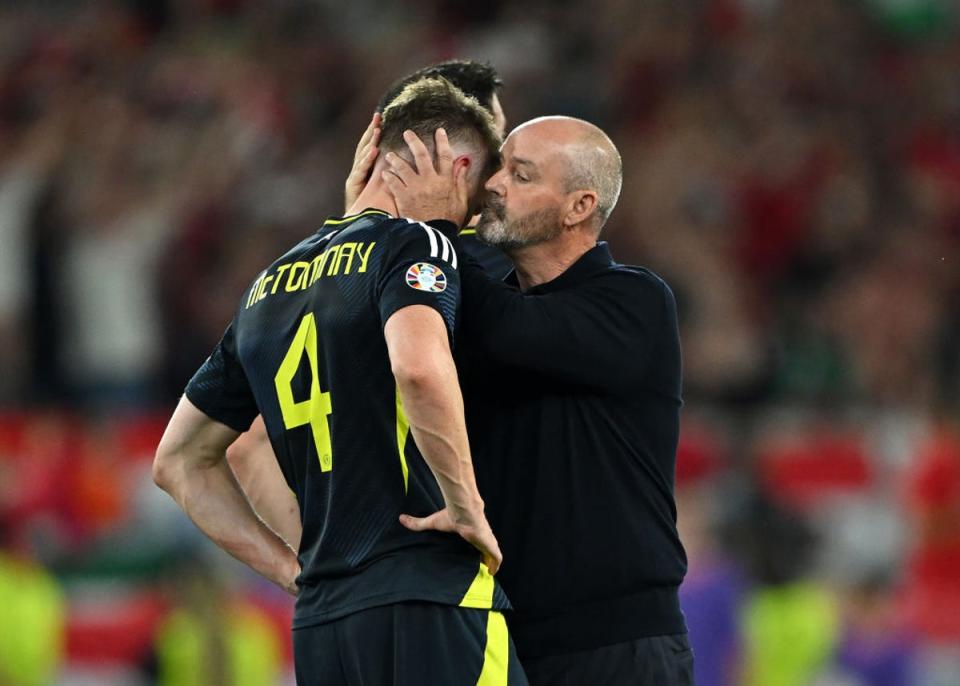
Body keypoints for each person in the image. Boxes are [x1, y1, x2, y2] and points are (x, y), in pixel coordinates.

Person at [153, 77, 528, 685]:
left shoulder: (267, 285)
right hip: (426, 590)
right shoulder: (418, 242)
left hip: (325, 620)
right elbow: (417, 367)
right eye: (480, 201)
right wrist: (466, 507)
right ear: (458, 169)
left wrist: (290, 571)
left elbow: (177, 461)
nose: (475, 222)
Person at [382, 116, 693, 685]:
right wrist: (371, 223)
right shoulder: (476, 304)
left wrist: (430, 229)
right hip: (500, 638)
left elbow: (510, 331)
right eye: (499, 166)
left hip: (616, 644)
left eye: (521, 175)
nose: (494, 183)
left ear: (579, 207)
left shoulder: (635, 301)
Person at [227, 59, 512, 549]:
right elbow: (421, 369)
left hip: (342, 595)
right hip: (444, 570)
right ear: (451, 156)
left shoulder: (298, 275)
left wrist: (316, 571)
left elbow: (248, 447)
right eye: (494, 153)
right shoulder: (454, 264)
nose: (496, 183)